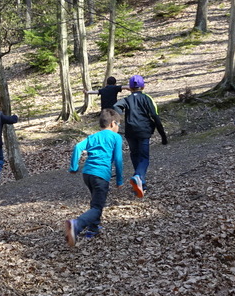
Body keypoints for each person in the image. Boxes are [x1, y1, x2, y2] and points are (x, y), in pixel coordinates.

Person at [65, 109, 124, 247]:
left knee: (95, 201)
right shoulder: (116, 137)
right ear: (113, 123)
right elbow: (118, 160)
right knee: (97, 207)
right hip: (101, 175)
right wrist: (119, 180)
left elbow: (78, 147)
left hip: (87, 174)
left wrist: (74, 167)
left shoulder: (93, 137)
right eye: (119, 125)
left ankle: (93, 228)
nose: (119, 128)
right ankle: (76, 224)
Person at [114, 74, 168, 199]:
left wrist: (118, 117)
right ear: (143, 87)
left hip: (131, 132)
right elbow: (155, 116)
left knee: (134, 154)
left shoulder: (127, 99)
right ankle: (139, 177)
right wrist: (163, 135)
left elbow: (116, 106)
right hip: (144, 131)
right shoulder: (146, 99)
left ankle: (140, 183)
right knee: (144, 157)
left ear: (130, 88)